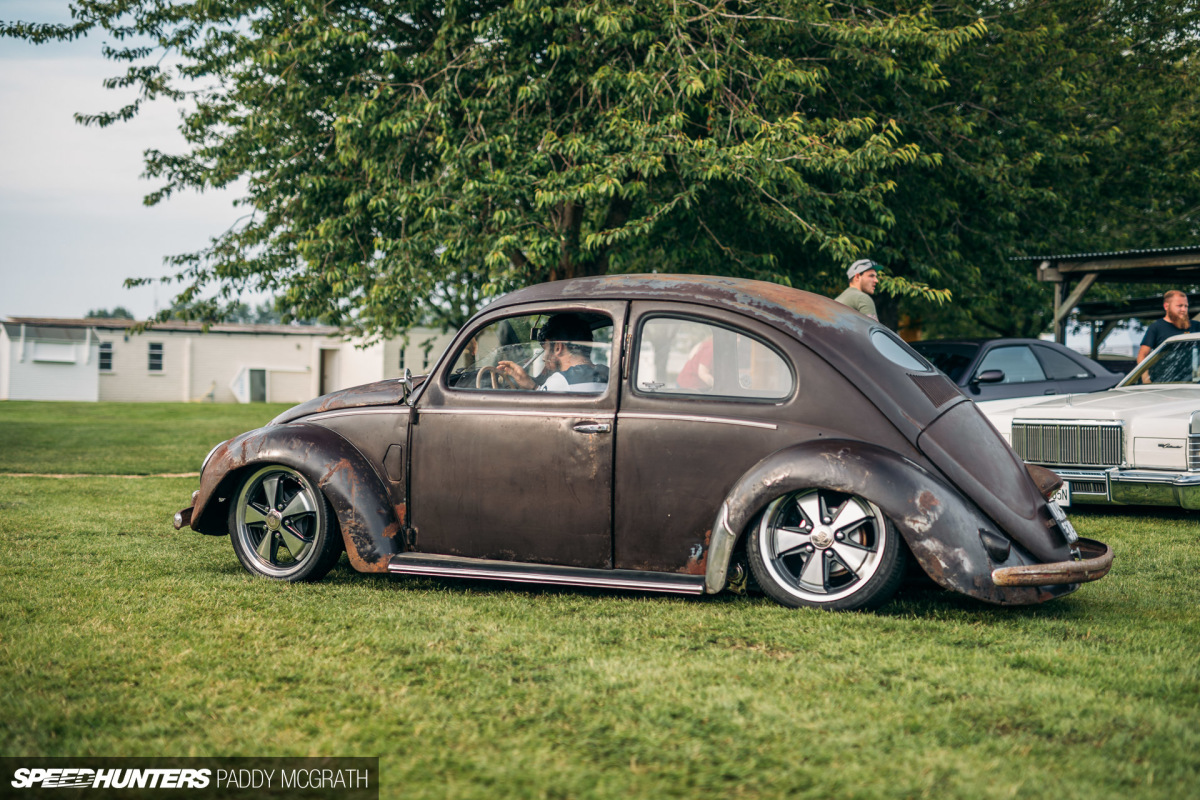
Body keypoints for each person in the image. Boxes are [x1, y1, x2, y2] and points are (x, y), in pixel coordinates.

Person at [497, 313, 609, 392]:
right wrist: (533, 386)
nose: (543, 358)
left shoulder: (561, 380)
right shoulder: (608, 374)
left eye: (545, 349)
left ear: (557, 348)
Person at [1137, 290, 1200, 365]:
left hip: (1191, 376)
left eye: (1186, 306)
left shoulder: (1195, 326)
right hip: (1162, 376)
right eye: (1180, 306)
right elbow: (1142, 355)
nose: (1184, 309)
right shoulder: (1156, 327)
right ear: (1166, 306)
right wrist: (1145, 376)